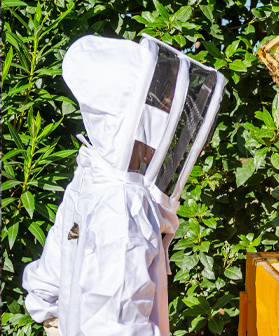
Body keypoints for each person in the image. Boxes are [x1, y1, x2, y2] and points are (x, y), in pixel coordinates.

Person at [23, 35, 225, 336]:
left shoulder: (92, 172)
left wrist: (53, 319)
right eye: (162, 110)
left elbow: (62, 248)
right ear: (129, 118)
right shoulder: (122, 206)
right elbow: (116, 324)